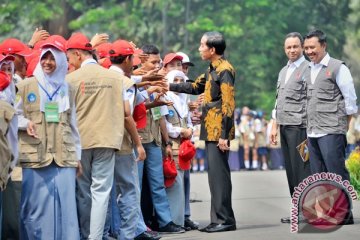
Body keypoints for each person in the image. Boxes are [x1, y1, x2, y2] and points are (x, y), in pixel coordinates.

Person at [168, 31, 236, 233]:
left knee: (219, 176)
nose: (199, 49)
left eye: (202, 45)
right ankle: (218, 219)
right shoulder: (210, 70)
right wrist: (166, 85)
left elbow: (229, 104)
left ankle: (225, 220)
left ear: (212, 49)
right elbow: (195, 87)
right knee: (214, 177)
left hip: (219, 133)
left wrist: (225, 135)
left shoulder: (225, 70)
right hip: (210, 129)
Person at [16, 39, 81, 239]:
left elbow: (73, 124)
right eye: (45, 57)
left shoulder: (67, 88)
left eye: (53, 58)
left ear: (61, 61)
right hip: (36, 156)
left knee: (66, 209)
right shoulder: (26, 86)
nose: (47, 62)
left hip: (64, 156)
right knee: (35, 209)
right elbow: (11, 115)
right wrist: (24, 123)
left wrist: (78, 156)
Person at [65, 33, 125, 239]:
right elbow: (126, 107)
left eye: (69, 57)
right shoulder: (115, 77)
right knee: (101, 191)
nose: (68, 62)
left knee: (83, 191)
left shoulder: (69, 80)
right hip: (107, 140)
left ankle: (84, 234)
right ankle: (96, 236)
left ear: (77, 54)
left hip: (80, 141)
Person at [107, 39, 160, 240]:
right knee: (129, 190)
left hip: (105, 142)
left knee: (107, 191)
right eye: (133, 60)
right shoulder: (125, 82)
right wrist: (138, 144)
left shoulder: (107, 77)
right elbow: (126, 114)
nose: (134, 64)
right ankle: (128, 234)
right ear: (128, 59)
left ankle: (109, 232)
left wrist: (145, 82)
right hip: (123, 143)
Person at [303, 29, 357, 224]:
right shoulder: (307, 69)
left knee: (336, 172)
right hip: (313, 130)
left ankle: (345, 213)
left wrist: (345, 124)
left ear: (323, 46)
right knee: (318, 174)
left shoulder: (337, 67)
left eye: (312, 47)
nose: (309, 51)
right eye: (306, 48)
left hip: (332, 129)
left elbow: (350, 99)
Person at [136, 44, 184, 234]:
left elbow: (161, 116)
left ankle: (165, 221)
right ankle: (139, 226)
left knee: (157, 184)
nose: (157, 66)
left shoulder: (159, 83)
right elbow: (130, 110)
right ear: (142, 60)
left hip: (154, 140)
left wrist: (167, 143)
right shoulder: (133, 81)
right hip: (137, 139)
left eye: (159, 62)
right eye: (153, 62)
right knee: (136, 186)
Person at [270, 32, 311, 223]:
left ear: (302, 47)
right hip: (285, 126)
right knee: (291, 170)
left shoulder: (309, 68)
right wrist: (273, 125)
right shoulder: (282, 71)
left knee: (302, 168)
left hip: (301, 126)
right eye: (288, 47)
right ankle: (298, 209)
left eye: (295, 46)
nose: (292, 50)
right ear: (284, 49)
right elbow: (278, 101)